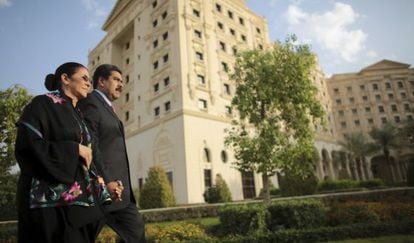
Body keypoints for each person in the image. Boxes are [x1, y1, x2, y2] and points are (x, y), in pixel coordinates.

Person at [15, 62, 110, 242]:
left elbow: (89, 155)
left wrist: (102, 184)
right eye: (84, 78)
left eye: (90, 80)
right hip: (48, 208)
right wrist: (73, 149)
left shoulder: (79, 115)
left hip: (80, 206)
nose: (89, 84)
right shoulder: (42, 103)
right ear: (65, 79)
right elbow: (26, 145)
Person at [79, 64, 145, 242]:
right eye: (116, 79)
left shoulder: (108, 108)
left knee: (136, 234)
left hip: (119, 194)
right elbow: (90, 144)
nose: (121, 85)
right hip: (101, 190)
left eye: (123, 81)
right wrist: (106, 180)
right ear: (101, 81)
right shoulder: (91, 102)